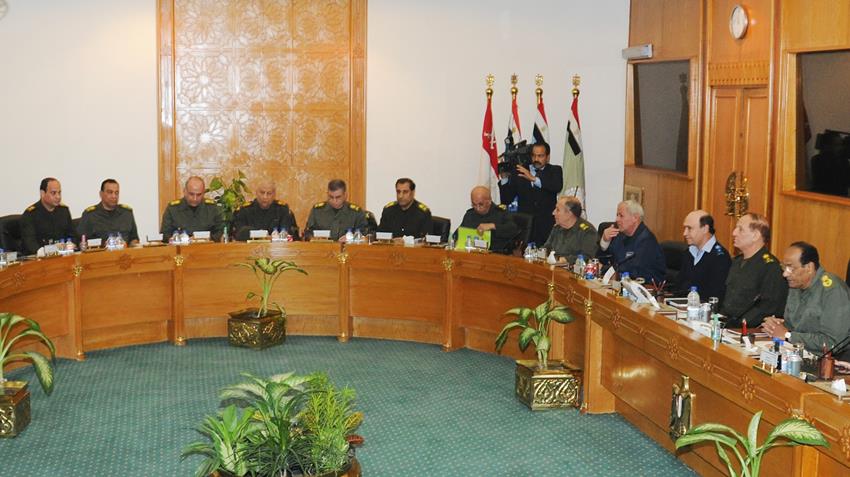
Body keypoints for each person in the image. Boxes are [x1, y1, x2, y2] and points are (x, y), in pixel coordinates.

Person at [762, 242, 850, 357]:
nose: (785, 274)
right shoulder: (796, 285)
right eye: (784, 267)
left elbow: (833, 342)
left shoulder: (833, 291)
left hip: (829, 360)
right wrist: (776, 325)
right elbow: (796, 326)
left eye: (791, 268)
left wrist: (788, 335)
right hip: (797, 353)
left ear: (809, 267)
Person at [720, 213, 787, 328]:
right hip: (726, 324)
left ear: (755, 236)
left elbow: (768, 307)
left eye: (740, 229)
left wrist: (737, 324)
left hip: (748, 329)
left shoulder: (770, 267)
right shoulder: (736, 261)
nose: (734, 233)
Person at [499, 142, 563, 246]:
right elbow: (506, 199)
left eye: (540, 156)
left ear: (547, 157)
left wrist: (533, 179)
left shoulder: (555, 170)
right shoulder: (520, 171)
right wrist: (505, 178)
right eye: (533, 155)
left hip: (546, 227)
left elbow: (556, 186)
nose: (536, 159)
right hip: (525, 227)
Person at [598, 200, 665, 283]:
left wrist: (603, 269)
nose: (617, 219)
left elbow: (632, 272)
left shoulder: (647, 241)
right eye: (617, 215)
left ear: (635, 218)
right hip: (621, 284)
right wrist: (605, 241)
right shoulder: (620, 235)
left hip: (645, 287)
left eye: (621, 216)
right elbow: (603, 260)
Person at [673, 210, 731, 302]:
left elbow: (714, 296)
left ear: (705, 229)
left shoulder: (720, 257)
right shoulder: (689, 252)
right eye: (685, 228)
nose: (685, 233)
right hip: (683, 305)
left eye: (689, 228)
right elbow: (679, 286)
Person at [20, 177, 75, 255]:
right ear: (42, 193)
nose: (58, 197)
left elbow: (73, 235)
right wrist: (49, 250)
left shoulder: (64, 211)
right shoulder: (30, 214)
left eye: (59, 193)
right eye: (53, 193)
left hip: (62, 256)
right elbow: (30, 245)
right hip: (40, 259)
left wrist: (71, 244)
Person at [456, 186, 519, 254]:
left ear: (489, 201)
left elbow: (513, 230)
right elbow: (457, 234)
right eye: (474, 204)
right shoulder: (470, 214)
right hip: (472, 254)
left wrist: (493, 226)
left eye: (481, 204)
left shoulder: (501, 213)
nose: (477, 208)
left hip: (495, 254)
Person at [77, 179, 140, 245]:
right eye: (110, 192)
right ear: (101, 194)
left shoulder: (127, 213)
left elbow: (134, 239)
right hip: (100, 251)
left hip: (124, 251)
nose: (114, 196)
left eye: (116, 193)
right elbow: (81, 242)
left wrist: (133, 244)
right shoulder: (90, 215)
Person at [232, 179, 299, 241]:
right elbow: (239, 234)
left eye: (269, 193)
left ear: (274, 195)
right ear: (256, 193)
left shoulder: (283, 210)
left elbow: (290, 235)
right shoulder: (244, 210)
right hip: (249, 248)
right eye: (262, 192)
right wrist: (262, 235)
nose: (265, 197)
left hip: (276, 249)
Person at [160, 176, 224, 241]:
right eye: (191, 194)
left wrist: (207, 238)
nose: (195, 198)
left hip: (206, 246)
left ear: (203, 193)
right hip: (181, 246)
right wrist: (182, 239)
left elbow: (219, 232)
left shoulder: (212, 208)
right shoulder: (173, 209)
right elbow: (165, 235)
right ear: (184, 191)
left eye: (199, 195)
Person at [304, 179, 369, 242]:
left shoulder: (356, 212)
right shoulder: (317, 211)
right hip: (323, 248)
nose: (334, 200)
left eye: (338, 197)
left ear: (345, 195)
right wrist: (314, 239)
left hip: (347, 248)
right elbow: (308, 233)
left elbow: (365, 235)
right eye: (331, 197)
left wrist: (351, 238)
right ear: (327, 194)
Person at [542, 196, 597, 264]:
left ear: (569, 213)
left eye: (558, 210)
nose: (553, 213)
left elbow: (587, 257)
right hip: (553, 266)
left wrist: (565, 260)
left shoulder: (587, 231)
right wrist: (540, 253)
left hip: (572, 268)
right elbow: (547, 248)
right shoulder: (557, 227)